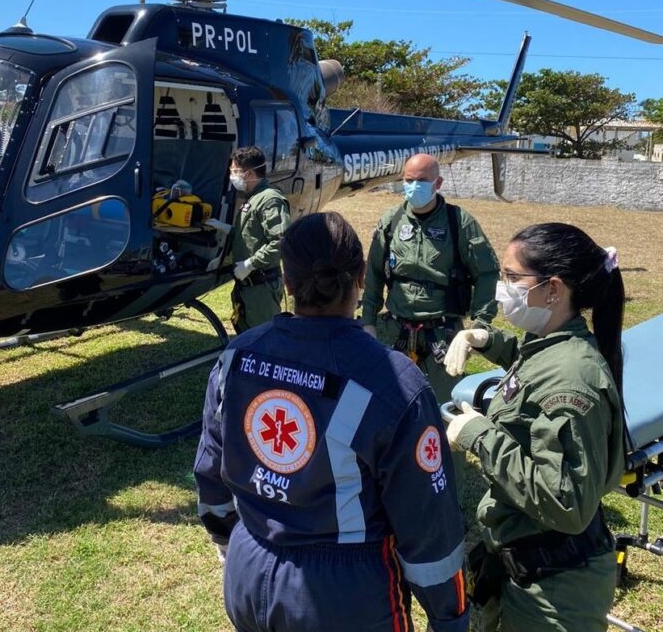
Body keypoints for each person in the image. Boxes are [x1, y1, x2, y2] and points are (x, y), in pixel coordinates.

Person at [194, 212, 469, 632]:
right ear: (361, 277)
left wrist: (230, 543)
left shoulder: (238, 356)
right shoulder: (391, 380)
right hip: (346, 599)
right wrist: (449, 618)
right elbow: (428, 525)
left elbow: (211, 470)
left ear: (286, 281)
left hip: (247, 572)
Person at [442, 223, 625, 632]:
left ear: (553, 289)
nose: (501, 289)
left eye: (511, 278)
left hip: (553, 594)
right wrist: (486, 340)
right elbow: (532, 371)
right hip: (528, 567)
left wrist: (480, 435)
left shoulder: (573, 379)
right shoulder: (552, 342)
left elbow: (569, 504)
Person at [361, 153, 498, 405]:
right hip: (394, 331)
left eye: (422, 180)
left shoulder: (459, 223)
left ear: (438, 183)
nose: (414, 186)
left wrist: (479, 325)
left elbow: (487, 274)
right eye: (408, 179)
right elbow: (374, 274)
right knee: (385, 403)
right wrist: (368, 321)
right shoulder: (391, 221)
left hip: (442, 335)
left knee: (446, 407)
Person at [229, 146, 291, 333]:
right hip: (247, 288)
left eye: (234, 172)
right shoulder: (253, 198)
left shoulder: (270, 199)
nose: (232, 177)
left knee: (266, 340)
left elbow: (281, 242)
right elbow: (252, 234)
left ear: (248, 173)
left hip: (261, 289)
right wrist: (228, 230)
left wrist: (250, 264)